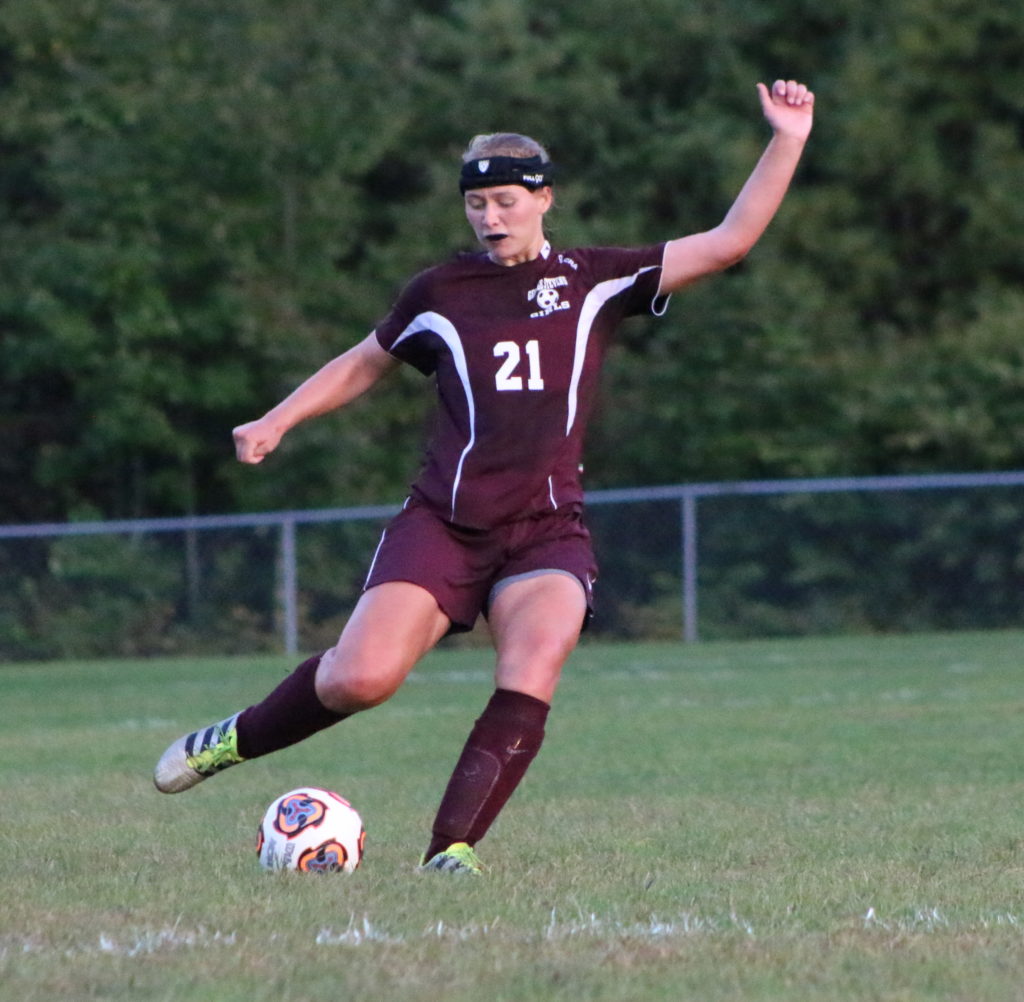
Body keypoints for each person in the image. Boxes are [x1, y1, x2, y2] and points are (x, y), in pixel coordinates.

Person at [154, 79, 815, 874]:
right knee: (362, 678)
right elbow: (366, 361)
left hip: (545, 532)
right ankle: (235, 739)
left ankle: (451, 850)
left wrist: (787, 137)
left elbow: (730, 240)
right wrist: (278, 419)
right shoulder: (441, 291)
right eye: (477, 205)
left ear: (544, 200)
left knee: (532, 666)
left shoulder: (594, 279)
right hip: (445, 522)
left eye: (505, 201)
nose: (490, 218)